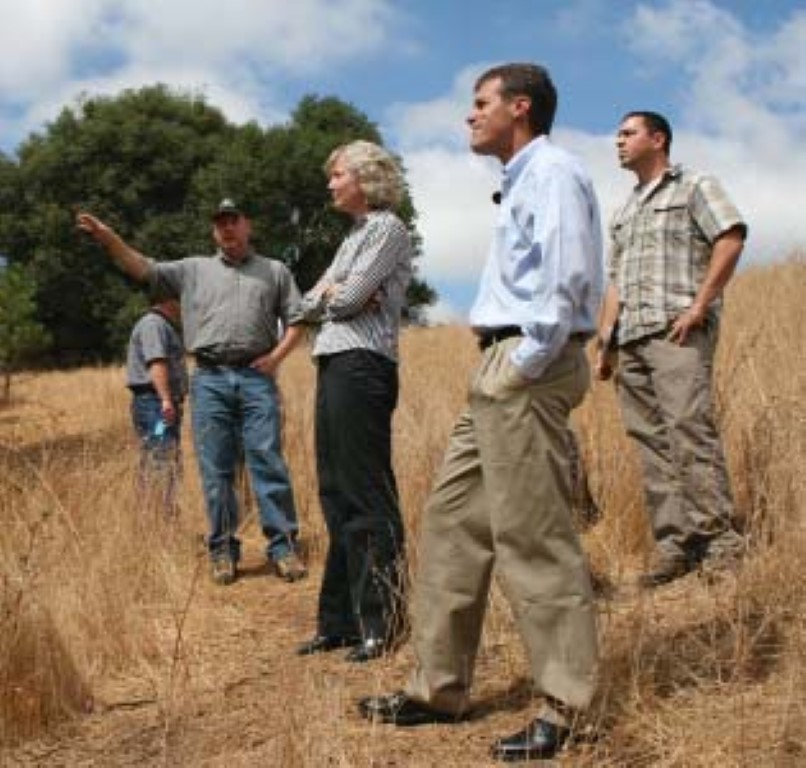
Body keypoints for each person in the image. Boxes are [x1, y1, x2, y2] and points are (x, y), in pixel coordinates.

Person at [359, 63, 603, 763]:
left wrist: (524, 364)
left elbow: (569, 273)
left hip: (523, 367)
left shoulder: (551, 171)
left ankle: (568, 708)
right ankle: (438, 688)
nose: (469, 116)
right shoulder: (523, 180)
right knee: (453, 522)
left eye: (480, 103)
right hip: (498, 367)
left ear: (518, 108)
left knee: (533, 536)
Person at [77, 199, 307, 586]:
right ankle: (221, 550)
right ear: (213, 230)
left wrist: (276, 357)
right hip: (210, 378)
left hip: (256, 377)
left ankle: (283, 547)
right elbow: (141, 267)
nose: (226, 228)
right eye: (220, 223)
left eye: (233, 221)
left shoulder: (275, 271)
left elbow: (298, 318)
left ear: (248, 225)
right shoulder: (191, 270)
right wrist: (107, 238)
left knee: (267, 459)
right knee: (215, 467)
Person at [595, 111, 747, 588]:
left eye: (628, 133)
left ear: (657, 139)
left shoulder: (694, 185)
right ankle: (675, 546)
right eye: (617, 134)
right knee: (650, 442)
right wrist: (605, 340)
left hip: (677, 329)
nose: (617, 141)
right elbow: (615, 280)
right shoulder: (623, 211)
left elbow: (731, 235)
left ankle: (719, 540)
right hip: (632, 338)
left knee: (688, 427)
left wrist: (700, 306)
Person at [296, 140, 413, 664]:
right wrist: (339, 293)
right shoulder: (353, 238)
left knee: (366, 493)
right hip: (334, 362)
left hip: (364, 364)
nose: (330, 184)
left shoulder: (387, 228)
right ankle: (340, 622)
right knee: (335, 492)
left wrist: (338, 293)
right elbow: (309, 304)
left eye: (337, 174)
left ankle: (383, 622)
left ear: (364, 178)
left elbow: (339, 300)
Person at [126, 295, 188, 513]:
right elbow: (156, 362)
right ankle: (159, 515)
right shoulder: (154, 324)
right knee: (162, 457)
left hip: (157, 404)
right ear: (169, 299)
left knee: (159, 455)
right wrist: (165, 400)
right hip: (155, 405)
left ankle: (156, 514)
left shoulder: (160, 325)